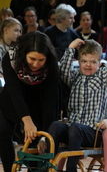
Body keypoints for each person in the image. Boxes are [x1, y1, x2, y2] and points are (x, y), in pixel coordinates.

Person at [47, 35, 107, 172]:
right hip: (73, 130)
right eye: (84, 61)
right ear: (79, 62)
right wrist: (71, 48)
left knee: (76, 127)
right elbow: (63, 71)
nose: (88, 65)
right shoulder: (75, 77)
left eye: (93, 62)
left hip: (92, 133)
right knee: (56, 125)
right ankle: (48, 165)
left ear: (99, 64)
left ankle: (71, 168)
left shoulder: (102, 77)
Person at [0, 31, 59, 172]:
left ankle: (37, 169)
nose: (36, 64)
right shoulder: (10, 57)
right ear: (24, 54)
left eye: (41, 60)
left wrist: (44, 133)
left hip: (39, 99)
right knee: (2, 131)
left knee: (37, 140)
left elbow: (49, 101)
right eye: (32, 59)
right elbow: (15, 93)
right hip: (13, 97)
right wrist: (27, 121)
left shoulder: (52, 64)